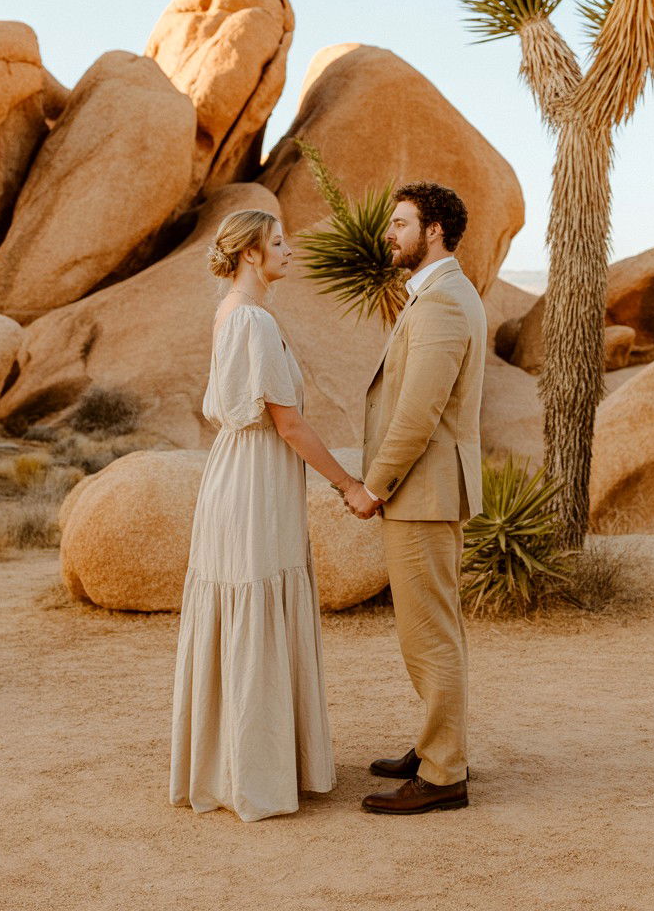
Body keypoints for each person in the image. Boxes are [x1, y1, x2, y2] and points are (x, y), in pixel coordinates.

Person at [169, 209, 369, 822]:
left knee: (242, 606)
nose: (289, 251)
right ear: (251, 254)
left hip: (237, 475)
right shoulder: (251, 319)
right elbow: (288, 423)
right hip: (254, 481)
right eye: (278, 242)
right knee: (255, 602)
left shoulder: (231, 311)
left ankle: (237, 764)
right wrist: (348, 484)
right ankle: (256, 774)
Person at [343, 181, 486, 815]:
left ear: (433, 231)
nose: (390, 234)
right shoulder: (437, 295)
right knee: (433, 628)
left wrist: (374, 486)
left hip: (421, 493)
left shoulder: (442, 304)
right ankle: (435, 748)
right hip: (425, 493)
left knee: (427, 634)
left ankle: (442, 773)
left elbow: (419, 412)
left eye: (401, 223)